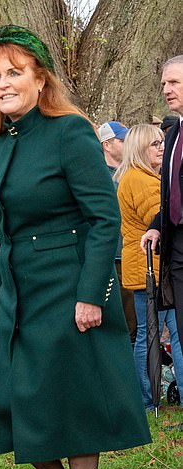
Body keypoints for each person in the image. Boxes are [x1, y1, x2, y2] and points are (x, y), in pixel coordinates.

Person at [0, 25, 150, 469]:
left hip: (70, 287)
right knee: (11, 403)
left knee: (70, 406)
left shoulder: (70, 132)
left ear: (39, 78)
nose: (3, 84)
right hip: (20, 291)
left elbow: (103, 219)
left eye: (14, 72)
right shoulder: (1, 143)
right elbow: (2, 231)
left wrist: (92, 295)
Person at [116, 124, 183, 409]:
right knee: (157, 334)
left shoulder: (139, 177)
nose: (161, 147)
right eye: (155, 143)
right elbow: (159, 218)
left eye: (162, 142)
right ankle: (147, 397)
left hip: (146, 264)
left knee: (154, 332)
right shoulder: (141, 180)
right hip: (149, 266)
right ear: (140, 148)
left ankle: (148, 397)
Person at [142, 56, 183, 342]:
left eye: (174, 82)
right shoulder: (172, 136)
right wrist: (157, 223)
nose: (167, 89)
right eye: (164, 84)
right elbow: (170, 193)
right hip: (177, 248)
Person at [98, 120, 136, 342]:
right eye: (123, 141)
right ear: (107, 144)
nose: (128, 145)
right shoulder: (97, 176)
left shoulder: (131, 172)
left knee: (134, 322)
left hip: (131, 254)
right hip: (110, 257)